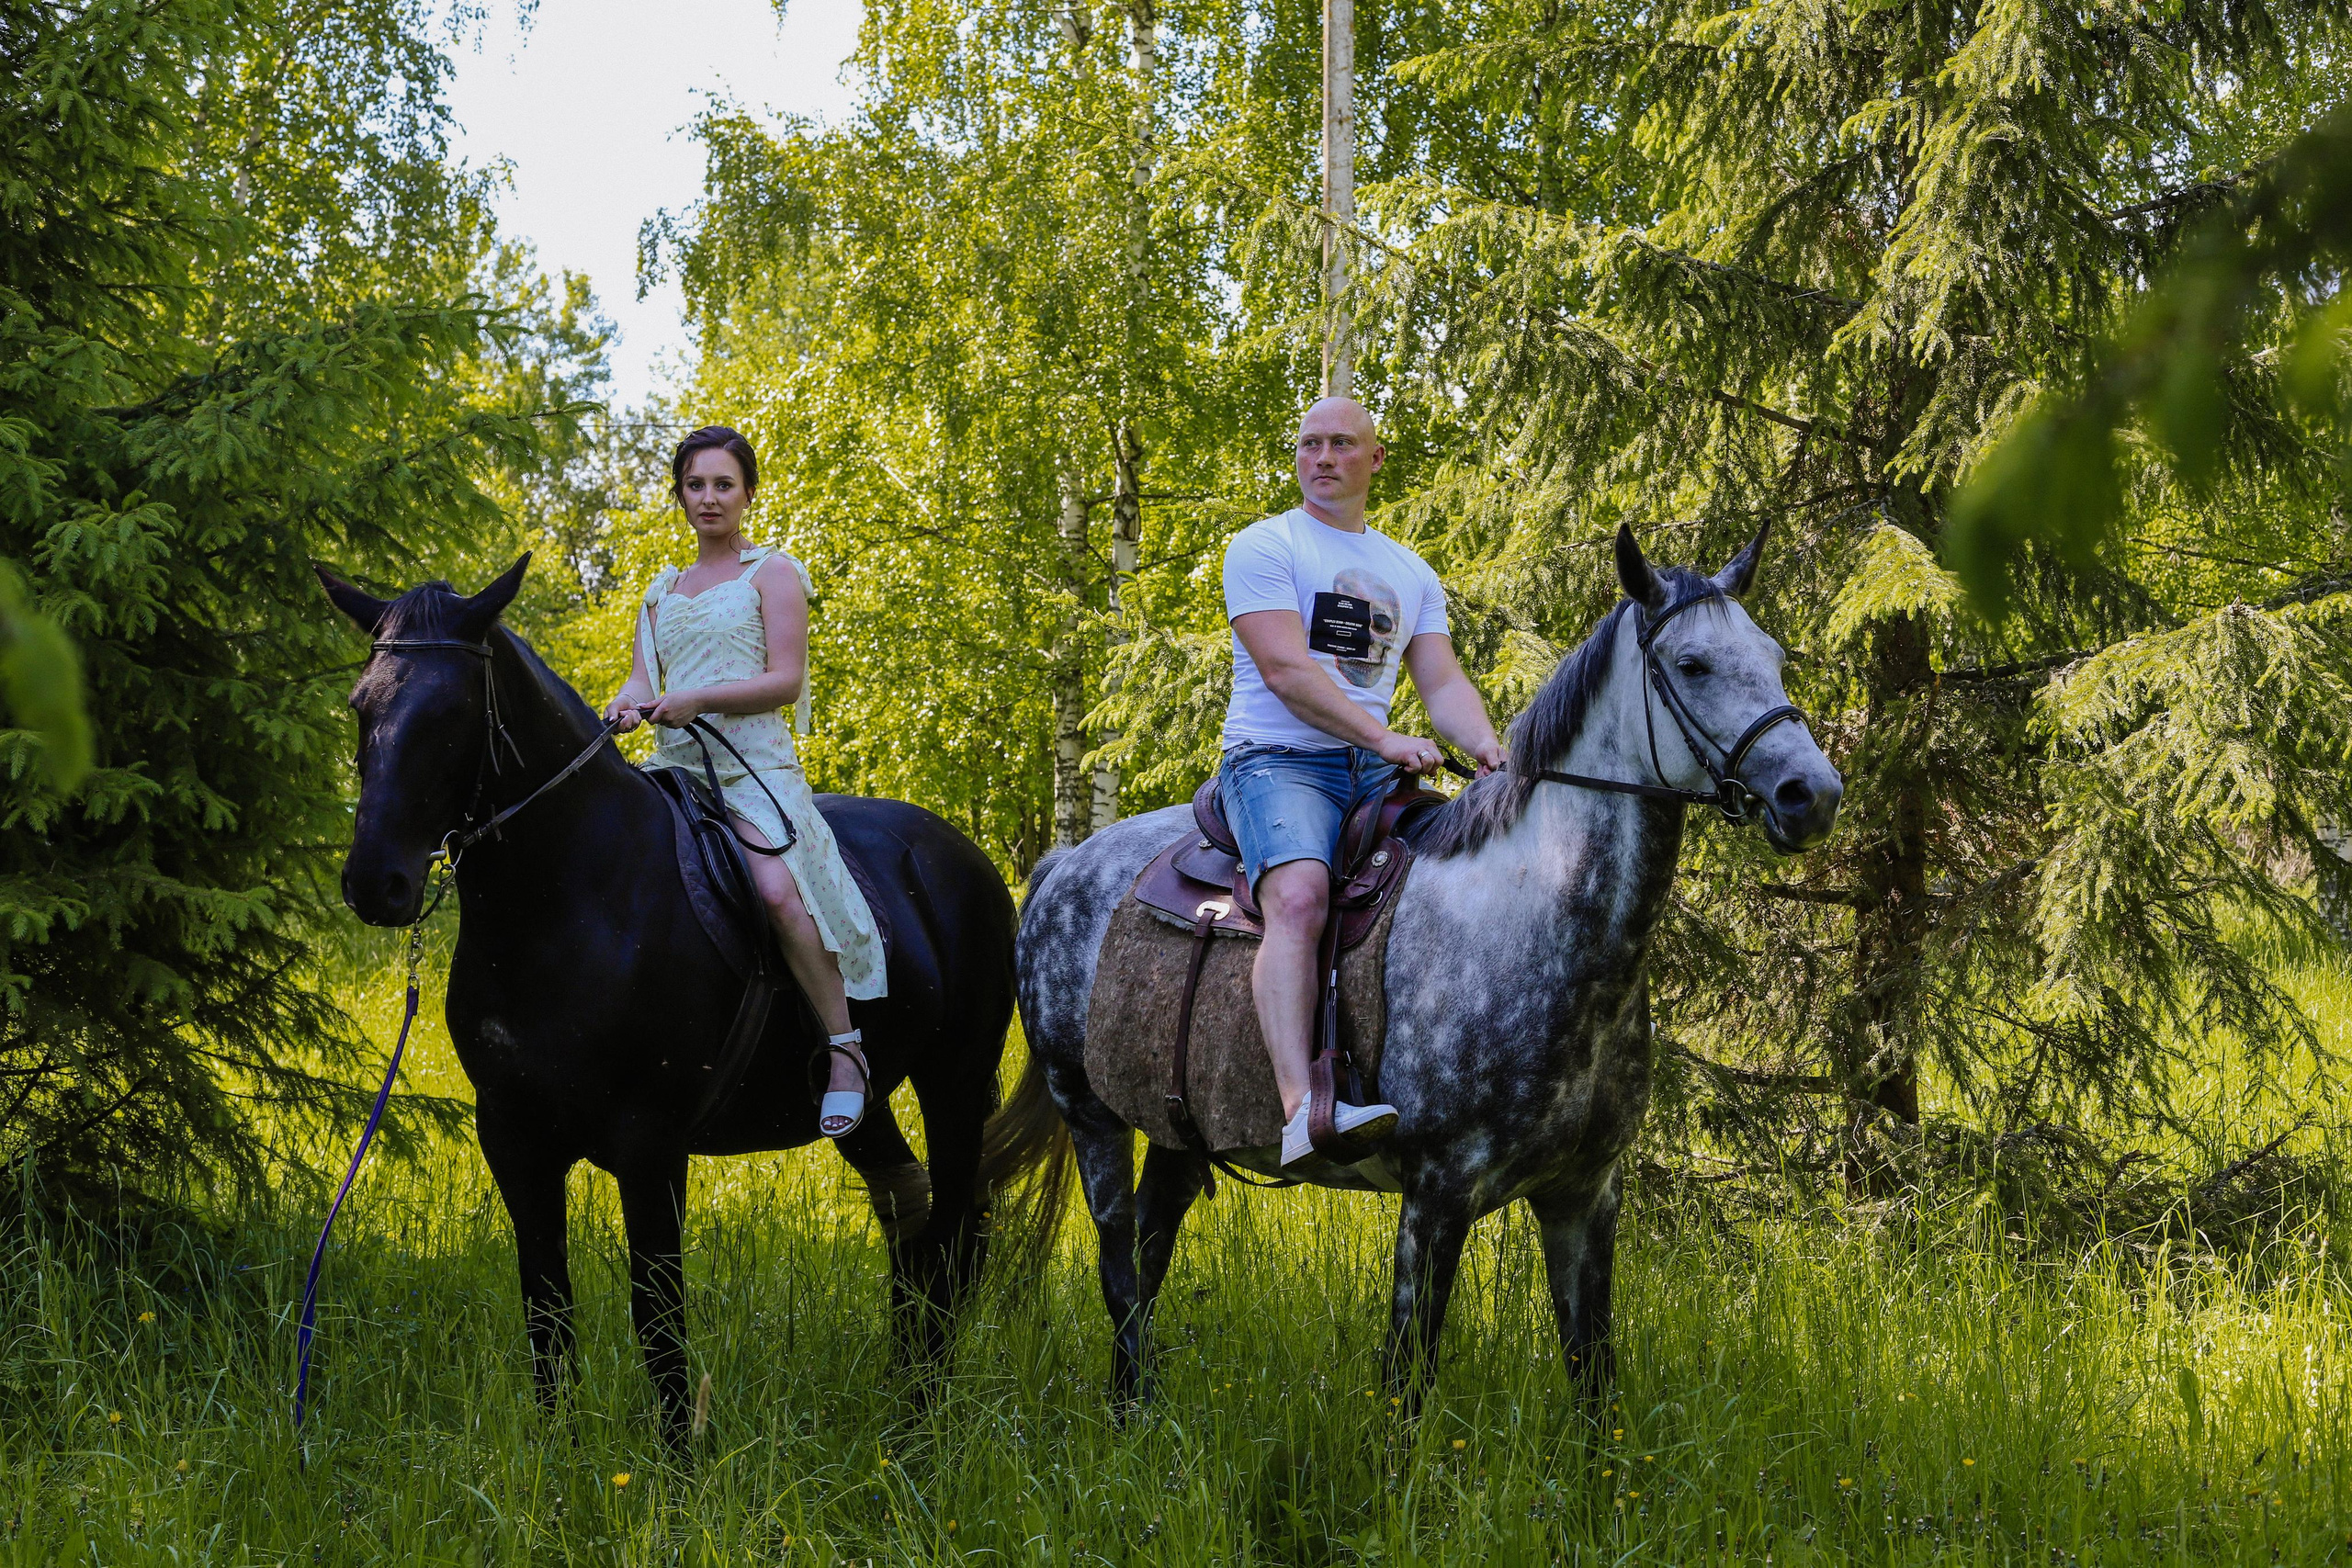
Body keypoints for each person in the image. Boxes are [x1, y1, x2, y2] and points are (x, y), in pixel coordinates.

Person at [1222, 397, 1506, 1167]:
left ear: (1375, 459)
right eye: (1309, 443)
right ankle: (1297, 1112)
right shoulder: (1264, 546)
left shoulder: (1409, 571)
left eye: (1341, 443)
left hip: (1374, 771)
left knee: (1465, 883)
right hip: (1276, 760)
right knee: (1302, 896)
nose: (1322, 457)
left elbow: (1441, 682)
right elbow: (1285, 670)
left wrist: (1486, 745)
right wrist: (1383, 734)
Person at [605, 426, 887, 1138]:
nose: (709, 498)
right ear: (679, 495)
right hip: (674, 768)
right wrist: (624, 705)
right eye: (695, 485)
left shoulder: (774, 573)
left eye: (723, 484)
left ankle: (845, 1049)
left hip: (753, 769)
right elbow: (644, 679)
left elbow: (784, 680)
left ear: (748, 494)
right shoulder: (659, 591)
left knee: (774, 892)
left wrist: (700, 700)